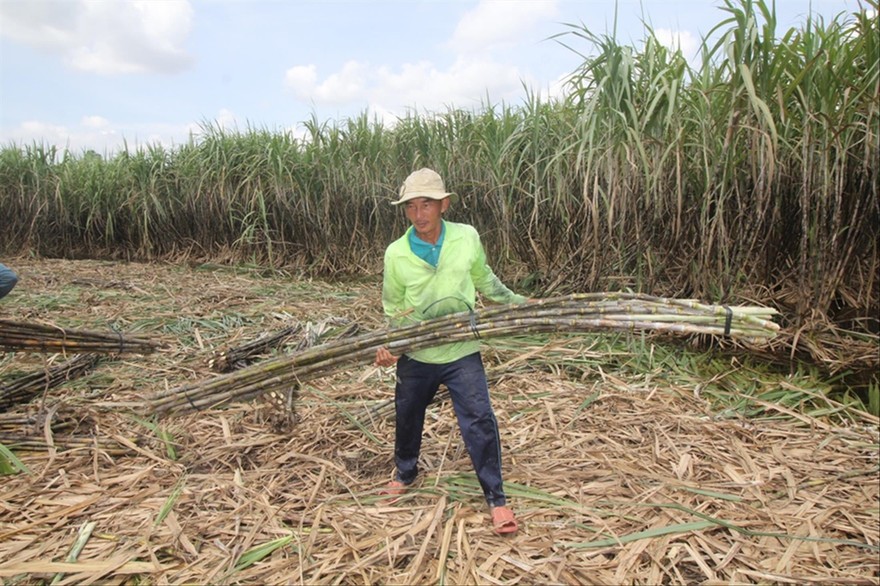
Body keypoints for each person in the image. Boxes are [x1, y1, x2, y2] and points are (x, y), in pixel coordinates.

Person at [374, 168, 528, 535]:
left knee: (478, 419)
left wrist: (518, 303)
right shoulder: (396, 254)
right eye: (411, 206)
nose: (419, 213)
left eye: (427, 203)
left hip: (461, 350)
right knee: (407, 414)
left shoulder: (466, 237)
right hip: (418, 353)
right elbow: (394, 307)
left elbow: (484, 278)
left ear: (443, 204)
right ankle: (405, 473)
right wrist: (393, 345)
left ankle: (496, 499)